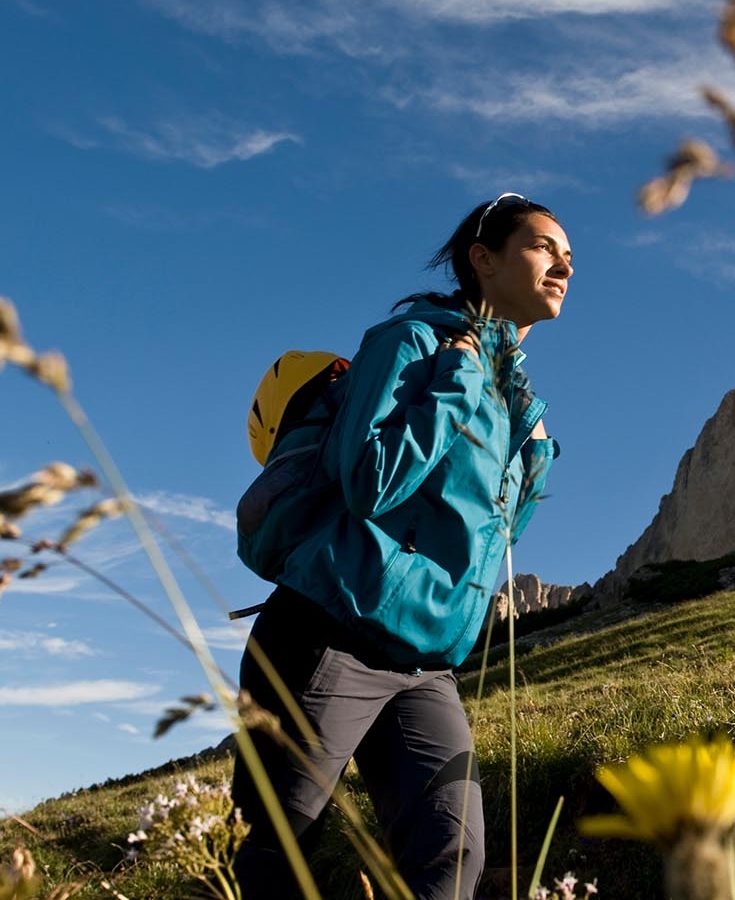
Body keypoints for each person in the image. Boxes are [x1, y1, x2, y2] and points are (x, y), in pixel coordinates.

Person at [230, 193, 571, 899]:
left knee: (452, 857)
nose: (563, 262)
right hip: (332, 630)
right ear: (483, 259)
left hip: (427, 664)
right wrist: (456, 379)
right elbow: (369, 479)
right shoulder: (415, 343)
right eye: (542, 245)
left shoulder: (513, 397)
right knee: (275, 854)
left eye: (569, 253)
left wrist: (533, 458)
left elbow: (490, 540)